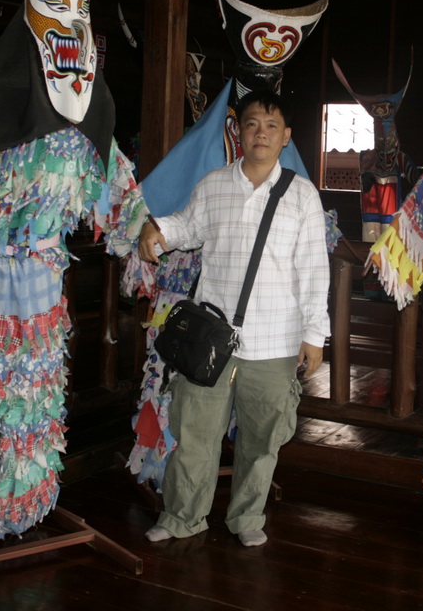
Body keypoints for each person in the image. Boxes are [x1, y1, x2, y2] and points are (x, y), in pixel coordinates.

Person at [138, 89, 330, 547]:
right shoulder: (214, 184)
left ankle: (247, 517)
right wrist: (156, 229)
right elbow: (187, 227)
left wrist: (315, 335)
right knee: (194, 433)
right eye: (251, 124)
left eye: (271, 126)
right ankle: (182, 517)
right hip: (211, 338)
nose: (260, 133)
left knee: (262, 440)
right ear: (238, 132)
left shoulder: (302, 195)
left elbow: (313, 270)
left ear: (286, 136)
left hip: (275, 342)